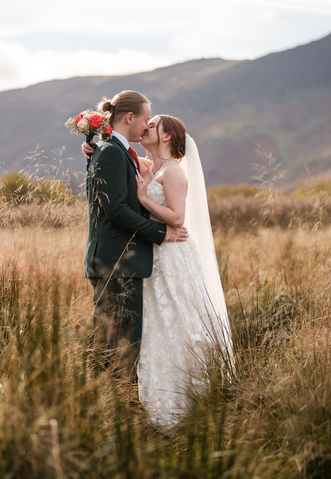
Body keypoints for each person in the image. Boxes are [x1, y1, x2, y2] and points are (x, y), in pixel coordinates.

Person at [134, 115, 234, 428]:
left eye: (153, 124)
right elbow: (114, 150)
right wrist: (89, 144)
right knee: (159, 322)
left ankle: (188, 400)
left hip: (174, 255)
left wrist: (141, 198)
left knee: (178, 319)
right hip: (156, 256)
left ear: (166, 136)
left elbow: (177, 218)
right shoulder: (151, 168)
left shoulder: (174, 171)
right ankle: (159, 398)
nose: (146, 126)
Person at [84, 91, 188, 381]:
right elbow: (115, 209)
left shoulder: (113, 150)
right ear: (130, 118)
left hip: (122, 262)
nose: (146, 127)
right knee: (116, 344)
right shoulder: (109, 150)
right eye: (145, 120)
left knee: (120, 341)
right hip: (115, 263)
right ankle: (110, 406)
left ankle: (116, 401)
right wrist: (161, 232)